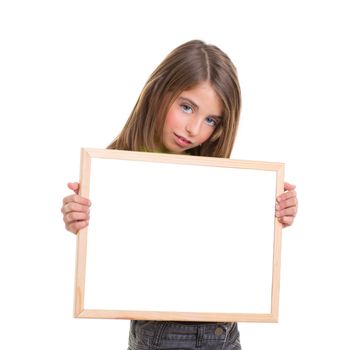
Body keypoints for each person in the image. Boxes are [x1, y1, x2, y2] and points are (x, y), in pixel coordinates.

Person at [61, 40, 298, 350]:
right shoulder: (116, 167)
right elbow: (113, 253)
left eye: (211, 120)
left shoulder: (214, 175)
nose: (194, 129)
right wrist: (79, 219)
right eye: (186, 107)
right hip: (166, 334)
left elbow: (225, 246)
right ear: (159, 92)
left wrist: (275, 213)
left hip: (224, 329)